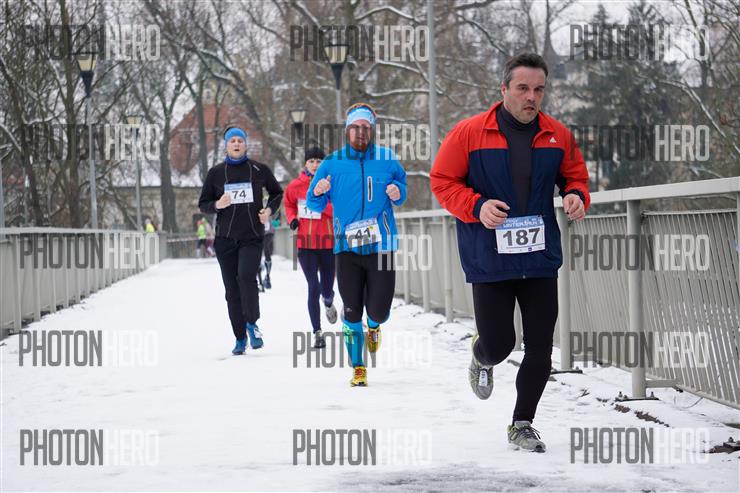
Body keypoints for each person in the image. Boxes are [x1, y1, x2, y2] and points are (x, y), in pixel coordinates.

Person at [431, 53, 590, 452]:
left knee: (540, 347)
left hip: (539, 257)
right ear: (503, 89)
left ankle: (522, 423)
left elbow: (575, 177)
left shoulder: (557, 135)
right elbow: (443, 181)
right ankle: (481, 356)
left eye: (538, 89)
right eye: (522, 88)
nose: (531, 97)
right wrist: (476, 206)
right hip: (490, 257)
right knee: (500, 343)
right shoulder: (469, 133)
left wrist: (576, 196)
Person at [307, 103, 407, 387]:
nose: (360, 132)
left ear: (371, 130)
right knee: (352, 309)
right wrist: (318, 190)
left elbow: (402, 192)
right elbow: (314, 203)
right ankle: (358, 367)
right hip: (346, 247)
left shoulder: (387, 159)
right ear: (347, 130)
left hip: (382, 246)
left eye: (365, 127)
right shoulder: (332, 163)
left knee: (380, 310)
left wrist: (398, 191)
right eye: (355, 127)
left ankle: (374, 326)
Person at [198, 125, 283, 355]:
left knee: (246, 277)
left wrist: (268, 211)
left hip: (251, 237)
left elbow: (277, 193)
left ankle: (252, 324)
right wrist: (217, 204)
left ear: (246, 144)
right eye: (232, 140)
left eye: (240, 140)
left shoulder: (259, 169)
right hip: (225, 239)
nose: (236, 144)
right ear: (226, 145)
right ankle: (239, 337)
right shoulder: (216, 173)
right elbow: (203, 203)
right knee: (231, 290)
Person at [284, 146, 338, 349]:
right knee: (313, 287)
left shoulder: (332, 184)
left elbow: (338, 208)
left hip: (328, 243)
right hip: (305, 244)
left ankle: (328, 301)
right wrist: (292, 218)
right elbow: (289, 205)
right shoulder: (295, 186)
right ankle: (317, 332)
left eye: (319, 161)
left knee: (326, 289)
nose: (315, 165)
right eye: (311, 161)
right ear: (305, 163)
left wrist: (318, 204)